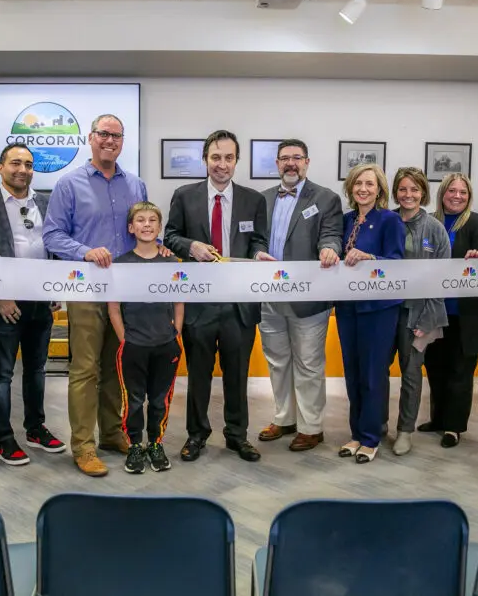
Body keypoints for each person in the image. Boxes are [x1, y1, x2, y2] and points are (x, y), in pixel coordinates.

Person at [42, 113, 149, 477]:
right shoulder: (68, 184)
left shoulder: (136, 185)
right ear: (91, 138)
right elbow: (53, 236)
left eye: (116, 136)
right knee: (85, 369)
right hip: (86, 289)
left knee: (115, 367)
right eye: (103, 134)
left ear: (122, 142)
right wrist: (84, 251)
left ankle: (112, 433)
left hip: (126, 291)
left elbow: (145, 232)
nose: (110, 140)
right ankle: (84, 446)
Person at [164, 129, 271, 463]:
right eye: (215, 157)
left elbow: (258, 241)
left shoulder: (255, 200)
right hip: (199, 304)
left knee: (238, 376)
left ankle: (237, 435)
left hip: (239, 304)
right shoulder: (184, 195)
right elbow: (170, 235)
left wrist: (259, 254)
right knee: (198, 375)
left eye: (228, 157)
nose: (221, 164)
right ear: (205, 159)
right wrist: (190, 246)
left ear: (236, 160)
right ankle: (196, 435)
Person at [0, 142, 66, 467]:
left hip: (41, 300)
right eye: (15, 163)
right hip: (4, 303)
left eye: (27, 164)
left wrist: (56, 288)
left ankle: (35, 428)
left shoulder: (47, 202)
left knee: (37, 370)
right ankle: (3, 438)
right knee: (3, 373)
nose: (22, 170)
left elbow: (54, 245)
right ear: (0, 168)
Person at [257, 140, 342, 452]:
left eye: (296, 158)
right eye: (284, 159)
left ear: (307, 162)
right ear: (277, 164)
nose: (290, 164)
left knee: (308, 362)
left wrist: (329, 248)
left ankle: (311, 426)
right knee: (277, 361)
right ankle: (284, 417)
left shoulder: (326, 198)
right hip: (268, 294)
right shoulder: (261, 198)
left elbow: (331, 233)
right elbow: (253, 239)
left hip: (308, 296)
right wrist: (255, 253)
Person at [108, 202, 184, 474]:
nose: (147, 224)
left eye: (153, 220)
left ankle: (155, 443)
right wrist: (124, 338)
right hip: (134, 345)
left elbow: (179, 302)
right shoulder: (121, 263)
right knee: (134, 400)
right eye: (140, 220)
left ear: (159, 227)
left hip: (165, 344)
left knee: (160, 398)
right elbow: (114, 306)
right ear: (131, 228)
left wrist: (176, 332)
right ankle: (134, 446)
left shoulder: (171, 261)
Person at [335, 164, 404, 463]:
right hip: (347, 307)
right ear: (350, 188)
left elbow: (397, 261)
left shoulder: (390, 220)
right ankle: (356, 433)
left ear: (380, 190)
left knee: (373, 374)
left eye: (370, 184)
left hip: (378, 309)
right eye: (358, 183)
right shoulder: (344, 220)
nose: (363, 189)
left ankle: (371, 437)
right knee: (352, 373)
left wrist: (370, 258)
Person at [422, 172, 478, 448]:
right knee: (435, 368)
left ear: (469, 196)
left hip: (466, 314)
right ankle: (438, 419)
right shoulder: (428, 222)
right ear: (442, 194)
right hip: (434, 311)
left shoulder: (477, 223)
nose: (457, 196)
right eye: (452, 191)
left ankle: (454, 427)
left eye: (463, 192)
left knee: (460, 372)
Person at [387, 167, 449, 456]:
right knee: (377, 372)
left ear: (423, 192)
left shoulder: (434, 229)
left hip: (418, 316)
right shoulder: (387, 221)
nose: (408, 195)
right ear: (395, 192)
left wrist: (428, 320)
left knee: (411, 374)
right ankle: (376, 426)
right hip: (384, 312)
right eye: (403, 189)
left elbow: (442, 278)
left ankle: (404, 431)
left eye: (414, 189)